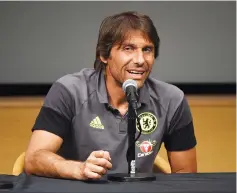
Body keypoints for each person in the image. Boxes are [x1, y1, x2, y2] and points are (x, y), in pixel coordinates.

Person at [24, 11, 197, 180]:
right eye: (128, 48)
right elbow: (34, 159)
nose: (140, 60)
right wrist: (78, 169)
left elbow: (186, 176)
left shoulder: (172, 99)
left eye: (147, 50)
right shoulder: (69, 90)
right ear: (104, 55)